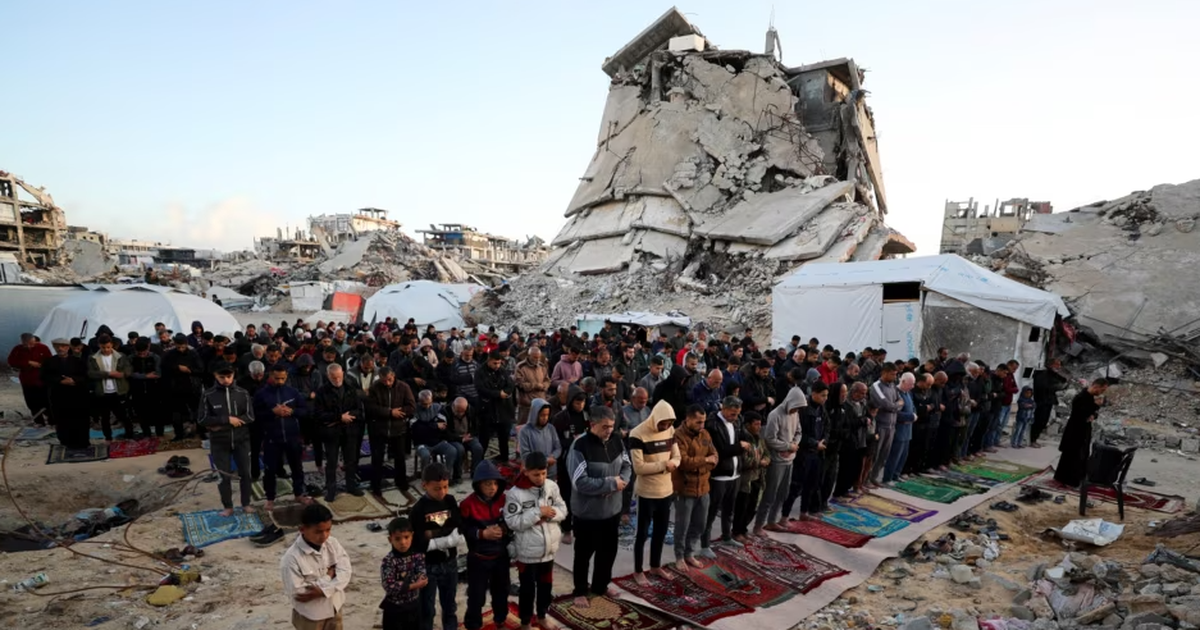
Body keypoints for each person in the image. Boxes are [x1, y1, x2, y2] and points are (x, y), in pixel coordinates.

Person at [567, 406, 631, 608]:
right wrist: (611, 484)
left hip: (611, 510)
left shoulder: (616, 441)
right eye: (605, 427)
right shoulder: (580, 446)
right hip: (588, 514)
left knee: (608, 552)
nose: (609, 431)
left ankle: (600, 585)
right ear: (592, 425)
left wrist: (621, 481)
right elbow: (580, 482)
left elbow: (627, 466)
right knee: (584, 555)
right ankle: (579, 591)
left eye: (611, 426)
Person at [506, 452, 567, 630]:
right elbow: (512, 522)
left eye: (543, 473)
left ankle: (542, 616)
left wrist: (549, 516)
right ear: (525, 471)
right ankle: (525, 622)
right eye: (535, 474)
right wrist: (536, 513)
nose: (540, 478)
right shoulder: (515, 493)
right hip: (527, 552)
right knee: (527, 590)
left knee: (545, 586)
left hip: (548, 548)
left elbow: (563, 508)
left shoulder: (552, 486)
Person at [627, 400, 681, 586]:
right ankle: (638, 570)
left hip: (666, 491)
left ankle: (656, 565)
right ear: (655, 418)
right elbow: (639, 467)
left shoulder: (670, 431)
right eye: (662, 423)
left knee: (661, 530)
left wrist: (674, 464)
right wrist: (664, 466)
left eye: (668, 423)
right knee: (642, 534)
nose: (665, 427)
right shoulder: (637, 434)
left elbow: (677, 456)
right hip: (646, 492)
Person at [460, 461, 515, 630]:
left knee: (501, 592)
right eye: (487, 483)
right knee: (476, 596)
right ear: (478, 485)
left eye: (496, 483)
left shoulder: (505, 500)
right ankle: (473, 625)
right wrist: (482, 534)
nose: (493, 487)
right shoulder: (467, 504)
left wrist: (503, 529)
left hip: (500, 556)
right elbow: (462, 529)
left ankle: (500, 620)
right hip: (478, 558)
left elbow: (513, 521)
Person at [280, 503, 351, 630]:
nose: (324, 536)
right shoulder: (291, 559)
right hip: (311, 616)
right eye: (318, 531)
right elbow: (299, 592)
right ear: (302, 529)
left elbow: (345, 572)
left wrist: (322, 590)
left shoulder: (333, 544)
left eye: (328, 530)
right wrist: (328, 577)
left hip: (335, 607)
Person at [411, 463, 465, 630]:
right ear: (424, 485)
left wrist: (432, 535)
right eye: (436, 488)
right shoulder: (418, 509)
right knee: (426, 609)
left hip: (450, 562)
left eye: (445, 487)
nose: (442, 492)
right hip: (427, 566)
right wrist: (445, 537)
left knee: (450, 605)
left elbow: (458, 527)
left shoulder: (450, 501)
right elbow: (418, 541)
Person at [200, 362, 256, 516]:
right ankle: (228, 506)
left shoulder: (242, 393)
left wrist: (224, 424)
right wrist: (226, 419)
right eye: (222, 377)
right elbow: (202, 419)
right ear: (215, 376)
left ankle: (246, 503)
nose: (226, 380)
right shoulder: (208, 395)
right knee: (223, 475)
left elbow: (250, 416)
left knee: (245, 472)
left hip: (241, 440)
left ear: (233, 376)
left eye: (229, 376)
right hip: (219, 442)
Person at [254, 364, 309, 514]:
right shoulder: (261, 394)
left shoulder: (292, 392)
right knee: (270, 469)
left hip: (292, 436)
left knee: (297, 467)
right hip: (272, 438)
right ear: (270, 376)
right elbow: (255, 415)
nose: (280, 381)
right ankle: (270, 498)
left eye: (283, 378)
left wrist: (292, 411)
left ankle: (299, 494)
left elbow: (304, 411)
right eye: (277, 378)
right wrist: (273, 412)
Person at [672, 404, 717, 569]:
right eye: (698, 422)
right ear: (688, 419)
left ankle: (689, 553)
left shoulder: (705, 434)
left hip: (704, 487)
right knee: (682, 526)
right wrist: (704, 461)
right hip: (685, 488)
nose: (702, 426)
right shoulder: (678, 436)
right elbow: (683, 462)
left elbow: (715, 456)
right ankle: (679, 556)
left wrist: (702, 464)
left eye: (703, 422)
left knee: (700, 524)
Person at [756, 388, 805, 533]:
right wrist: (788, 446)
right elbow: (770, 439)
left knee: (783, 493)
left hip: (789, 459)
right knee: (770, 494)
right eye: (796, 406)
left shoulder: (795, 414)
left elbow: (798, 432)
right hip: (777, 461)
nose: (796, 410)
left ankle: (772, 521)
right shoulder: (775, 415)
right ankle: (759, 525)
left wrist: (794, 444)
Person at [315, 364, 365, 502]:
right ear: (328, 376)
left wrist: (348, 416)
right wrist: (339, 417)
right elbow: (319, 414)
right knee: (331, 462)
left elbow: (359, 410)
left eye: (339, 376)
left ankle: (351, 486)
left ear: (343, 374)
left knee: (351, 460)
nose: (337, 379)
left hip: (350, 430)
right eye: (333, 377)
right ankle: (331, 490)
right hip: (332, 432)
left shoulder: (350, 388)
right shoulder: (322, 392)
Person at [703, 396, 747, 552]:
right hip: (719, 475)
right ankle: (705, 544)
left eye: (737, 414)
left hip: (734, 473)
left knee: (729, 510)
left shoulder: (737, 421)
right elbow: (720, 451)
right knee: (711, 512)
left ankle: (726, 536)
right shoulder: (712, 425)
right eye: (733, 414)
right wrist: (740, 447)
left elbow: (743, 437)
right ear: (724, 408)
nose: (735, 417)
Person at [366, 367, 416, 494]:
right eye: (384, 381)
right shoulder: (375, 388)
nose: (387, 383)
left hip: (398, 429)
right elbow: (371, 408)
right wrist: (389, 412)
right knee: (377, 458)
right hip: (379, 429)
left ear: (393, 376)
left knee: (400, 457)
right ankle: (376, 485)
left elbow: (411, 407)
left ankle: (401, 482)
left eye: (389, 380)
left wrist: (400, 413)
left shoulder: (404, 387)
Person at [1054, 378, 1109, 487]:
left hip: (1084, 430)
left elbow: (1093, 413)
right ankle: (1068, 480)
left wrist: (1093, 414)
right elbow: (1081, 414)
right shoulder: (1080, 398)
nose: (1102, 393)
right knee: (1072, 456)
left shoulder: (1090, 398)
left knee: (1081, 456)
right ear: (1096, 386)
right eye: (1102, 390)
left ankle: (1077, 478)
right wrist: (1095, 406)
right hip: (1075, 431)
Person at [551, 386, 589, 544]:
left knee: (583, 494)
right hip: (566, 461)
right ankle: (566, 528)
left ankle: (581, 525)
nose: (580, 406)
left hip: (585, 461)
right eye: (577, 402)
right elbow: (556, 442)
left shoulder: (587, 415)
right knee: (566, 494)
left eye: (582, 402)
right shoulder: (561, 418)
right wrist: (574, 440)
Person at [41, 338, 90, 450]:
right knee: (62, 419)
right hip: (59, 395)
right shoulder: (49, 362)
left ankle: (82, 442)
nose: (60, 348)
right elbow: (44, 377)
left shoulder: (78, 361)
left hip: (77, 395)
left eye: (63, 346)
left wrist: (74, 380)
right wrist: (60, 380)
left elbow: (85, 375)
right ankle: (66, 441)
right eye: (57, 346)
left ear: (68, 347)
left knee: (80, 419)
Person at [380, 516, 427, 630]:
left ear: (412, 536)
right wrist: (414, 585)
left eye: (406, 537)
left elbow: (422, 574)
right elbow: (390, 586)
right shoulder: (389, 561)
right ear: (390, 539)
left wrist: (420, 578)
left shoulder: (417, 556)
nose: (403, 542)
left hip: (414, 605)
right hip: (395, 609)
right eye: (398, 539)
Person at [87, 335, 136, 441]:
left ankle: (130, 434)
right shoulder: (93, 358)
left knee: (124, 415)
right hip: (103, 392)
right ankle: (108, 437)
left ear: (112, 345)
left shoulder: (121, 356)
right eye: (103, 347)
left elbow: (128, 369)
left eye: (108, 347)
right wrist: (108, 374)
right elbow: (91, 373)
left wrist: (122, 374)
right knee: (105, 417)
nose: (106, 350)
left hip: (119, 390)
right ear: (99, 346)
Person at [732, 411, 769, 541]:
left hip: (758, 477)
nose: (759, 427)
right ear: (748, 425)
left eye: (760, 424)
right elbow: (745, 461)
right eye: (756, 424)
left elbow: (766, 453)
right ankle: (736, 531)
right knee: (742, 506)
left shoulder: (759, 438)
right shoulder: (744, 439)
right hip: (746, 480)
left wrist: (766, 460)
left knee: (752, 507)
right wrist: (760, 462)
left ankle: (744, 529)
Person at [475, 350, 517, 463]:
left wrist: (505, 392)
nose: (497, 366)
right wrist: (498, 394)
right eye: (494, 363)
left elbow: (510, 385)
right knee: (484, 439)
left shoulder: (502, 371)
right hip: (487, 410)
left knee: (504, 437)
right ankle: (479, 462)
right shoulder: (480, 372)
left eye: (499, 363)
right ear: (489, 360)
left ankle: (504, 459)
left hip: (503, 410)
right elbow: (481, 389)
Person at [867, 364, 901, 487]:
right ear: (885, 373)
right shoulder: (876, 386)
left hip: (891, 426)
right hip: (880, 425)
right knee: (875, 454)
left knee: (884, 455)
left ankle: (874, 477)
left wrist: (894, 406)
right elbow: (885, 404)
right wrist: (895, 406)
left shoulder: (893, 386)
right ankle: (866, 479)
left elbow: (900, 401)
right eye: (893, 374)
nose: (895, 376)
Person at [8, 333, 51, 424]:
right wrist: (28, 362)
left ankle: (52, 420)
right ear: (23, 342)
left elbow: (50, 361)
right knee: (32, 402)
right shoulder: (18, 349)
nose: (30, 346)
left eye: (32, 343)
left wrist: (42, 365)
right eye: (27, 344)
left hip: (42, 379)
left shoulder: (43, 348)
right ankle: (39, 422)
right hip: (27, 380)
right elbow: (11, 361)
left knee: (46, 401)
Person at [882, 373, 917, 484]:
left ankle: (896, 475)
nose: (912, 386)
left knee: (903, 455)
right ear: (903, 382)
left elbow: (913, 407)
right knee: (894, 455)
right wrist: (911, 416)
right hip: (899, 430)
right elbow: (895, 412)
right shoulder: (896, 393)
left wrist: (914, 415)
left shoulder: (908, 393)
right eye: (910, 384)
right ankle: (888, 478)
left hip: (908, 429)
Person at [517, 399, 561, 478]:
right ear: (534, 414)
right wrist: (545, 460)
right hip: (535, 473)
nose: (545, 418)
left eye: (547, 415)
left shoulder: (551, 428)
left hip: (551, 471)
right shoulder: (525, 431)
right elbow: (525, 455)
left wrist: (553, 456)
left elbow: (558, 447)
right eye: (542, 415)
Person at [1030, 358, 1065, 448]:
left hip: (1048, 401)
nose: (1059, 367)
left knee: (1044, 421)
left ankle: (1035, 438)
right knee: (1039, 420)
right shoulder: (1042, 374)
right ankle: (1032, 439)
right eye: (1057, 364)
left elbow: (1062, 380)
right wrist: (1056, 387)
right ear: (1051, 365)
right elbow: (1043, 387)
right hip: (1042, 401)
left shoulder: (1052, 374)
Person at [514, 347, 550, 427]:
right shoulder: (521, 366)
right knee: (523, 426)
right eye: (535, 357)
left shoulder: (542, 366)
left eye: (539, 357)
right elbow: (519, 384)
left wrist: (544, 386)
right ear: (529, 355)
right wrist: (535, 385)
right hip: (526, 403)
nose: (537, 359)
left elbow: (547, 380)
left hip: (541, 401)